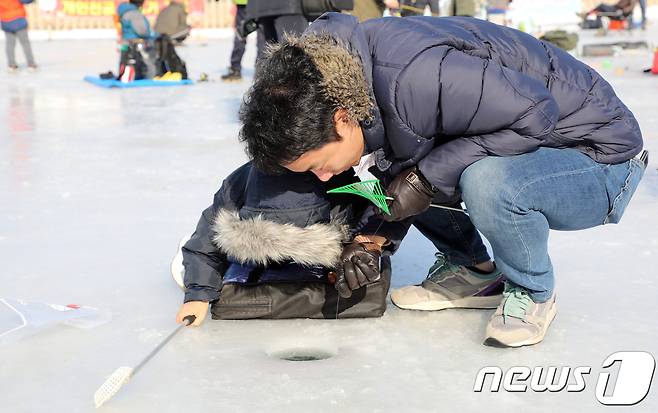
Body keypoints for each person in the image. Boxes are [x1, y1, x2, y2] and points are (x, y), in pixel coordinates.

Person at [238, 13, 646, 347]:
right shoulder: (347, 84)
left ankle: (532, 289)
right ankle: (473, 269)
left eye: (318, 164)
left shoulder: (413, 75)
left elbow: (537, 113)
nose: (324, 176)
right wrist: (370, 239)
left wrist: (425, 175)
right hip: (536, 138)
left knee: (483, 180)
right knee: (418, 173)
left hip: (599, 159)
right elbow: (407, 162)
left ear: (342, 120)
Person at [175, 162, 392, 324]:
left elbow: (376, 215)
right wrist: (198, 294)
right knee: (207, 246)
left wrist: (364, 246)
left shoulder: (337, 182)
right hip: (254, 256)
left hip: (328, 231)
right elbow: (204, 245)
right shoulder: (238, 188)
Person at [221, 0, 265, 82]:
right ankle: (261, 70)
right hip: (262, 4)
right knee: (263, 35)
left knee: (241, 33)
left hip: (244, 4)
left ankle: (235, 69)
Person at [0, 0, 36, 72]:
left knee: (10, 44)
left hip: (6, 21)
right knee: (25, 43)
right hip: (18, 20)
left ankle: (11, 64)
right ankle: (31, 63)